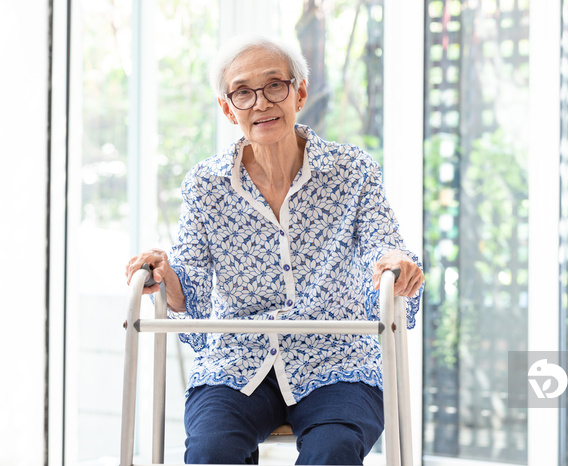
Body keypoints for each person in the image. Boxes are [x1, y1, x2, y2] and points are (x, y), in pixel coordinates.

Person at [125, 35, 424, 465]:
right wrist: (164, 273)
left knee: (334, 452)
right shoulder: (205, 185)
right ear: (228, 109)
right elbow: (188, 290)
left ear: (299, 92)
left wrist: (395, 265)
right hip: (237, 361)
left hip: (337, 360)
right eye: (243, 92)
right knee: (211, 452)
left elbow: (384, 246)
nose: (260, 103)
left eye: (274, 86)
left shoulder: (352, 171)